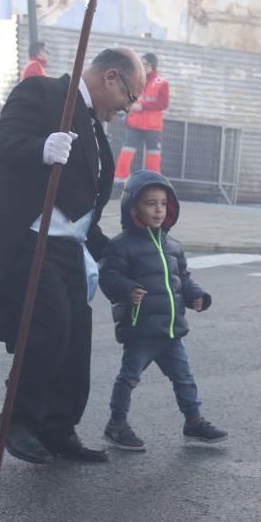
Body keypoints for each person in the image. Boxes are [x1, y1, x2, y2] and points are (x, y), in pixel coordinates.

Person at [0, 47, 146, 465]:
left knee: (76, 334)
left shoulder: (92, 125)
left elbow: (82, 206)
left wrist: (115, 252)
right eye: (130, 96)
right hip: (27, 239)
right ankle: (15, 420)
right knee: (50, 322)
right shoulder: (43, 92)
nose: (127, 108)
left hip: (69, 245)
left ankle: (57, 426)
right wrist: (40, 148)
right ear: (110, 77)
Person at [98, 170, 227, 451]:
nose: (158, 210)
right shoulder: (120, 246)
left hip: (170, 329)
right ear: (133, 208)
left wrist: (197, 297)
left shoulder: (173, 246)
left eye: (163, 203)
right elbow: (108, 278)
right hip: (141, 329)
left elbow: (183, 279)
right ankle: (116, 425)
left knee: (184, 377)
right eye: (150, 203)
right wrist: (128, 289)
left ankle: (193, 421)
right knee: (129, 378)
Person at [115, 53, 169, 180]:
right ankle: (120, 180)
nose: (140, 66)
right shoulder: (136, 81)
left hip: (153, 126)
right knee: (126, 152)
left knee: (153, 155)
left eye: (143, 64)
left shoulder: (162, 83)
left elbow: (163, 104)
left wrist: (142, 106)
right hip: (135, 123)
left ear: (151, 65)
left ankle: (152, 180)